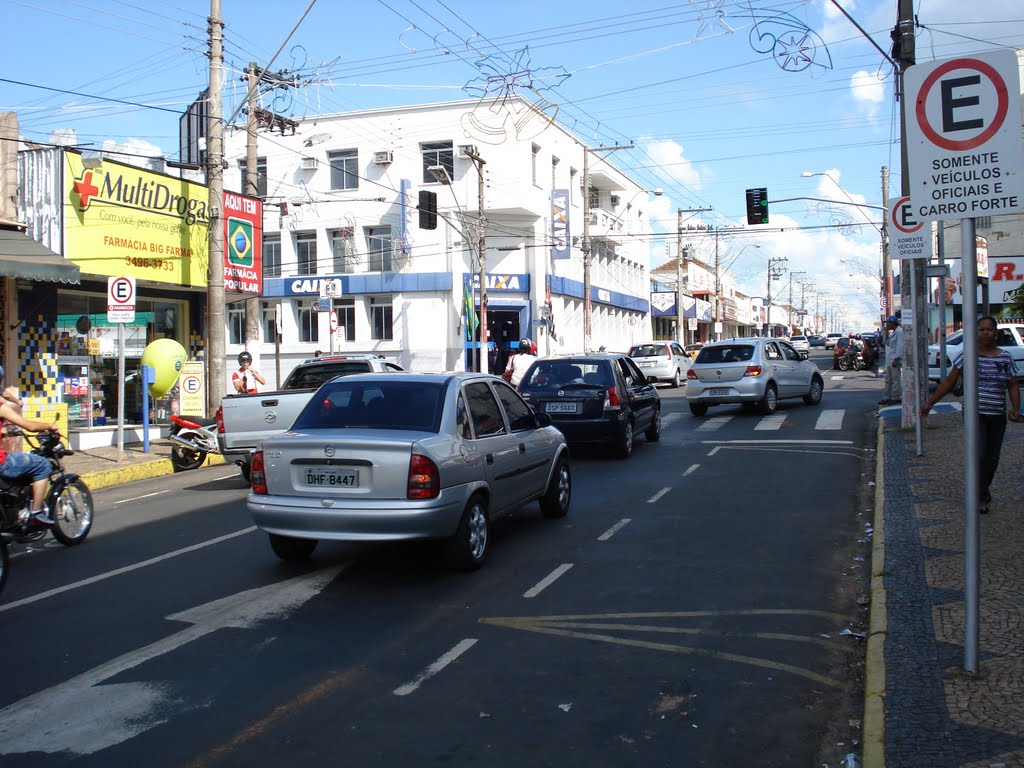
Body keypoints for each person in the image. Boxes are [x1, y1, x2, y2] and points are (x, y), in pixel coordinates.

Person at [921, 316, 1022, 514]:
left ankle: (983, 490)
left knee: (993, 458)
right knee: (980, 454)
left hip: (997, 415)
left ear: (995, 333)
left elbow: (1013, 384)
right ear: (976, 333)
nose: (985, 333)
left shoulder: (1005, 357)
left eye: (989, 330)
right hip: (975, 414)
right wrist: (929, 403)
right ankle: (980, 496)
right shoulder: (966, 356)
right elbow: (949, 382)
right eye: (981, 330)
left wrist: (1016, 408)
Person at [0, 368, 60, 524]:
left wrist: (4, 430)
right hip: (1, 462)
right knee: (42, 464)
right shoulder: (1, 407)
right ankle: (36, 513)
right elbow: (29, 426)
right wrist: (48, 425)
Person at [879, 316, 903, 405]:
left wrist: (896, 359)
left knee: (895, 379)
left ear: (892, 323)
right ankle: (887, 397)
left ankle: (896, 397)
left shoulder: (899, 332)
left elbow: (899, 347)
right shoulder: (893, 333)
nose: (887, 325)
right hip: (889, 359)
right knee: (888, 379)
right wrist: (885, 333)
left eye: (888, 323)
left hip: (894, 359)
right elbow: (888, 343)